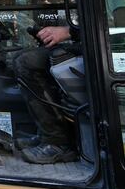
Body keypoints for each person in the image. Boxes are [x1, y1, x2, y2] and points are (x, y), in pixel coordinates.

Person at [13, 22, 79, 164]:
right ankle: (47, 134)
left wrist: (68, 31)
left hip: (102, 50)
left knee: (25, 62)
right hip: (85, 43)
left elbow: (114, 26)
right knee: (20, 57)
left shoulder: (124, 0)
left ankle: (58, 141)